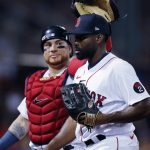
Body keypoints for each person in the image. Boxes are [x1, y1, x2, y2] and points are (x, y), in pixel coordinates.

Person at [46, 14, 150, 150]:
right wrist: (49, 148)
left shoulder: (118, 67)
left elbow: (144, 106)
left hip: (114, 142)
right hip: (86, 144)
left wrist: (104, 118)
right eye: (75, 37)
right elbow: (77, 120)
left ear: (99, 37)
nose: (75, 42)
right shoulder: (80, 72)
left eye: (82, 37)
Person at [0, 25, 85, 150]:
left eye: (59, 44)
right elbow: (23, 122)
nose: (53, 49)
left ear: (70, 49)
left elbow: (80, 119)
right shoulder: (35, 80)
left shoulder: (74, 77)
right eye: (48, 45)